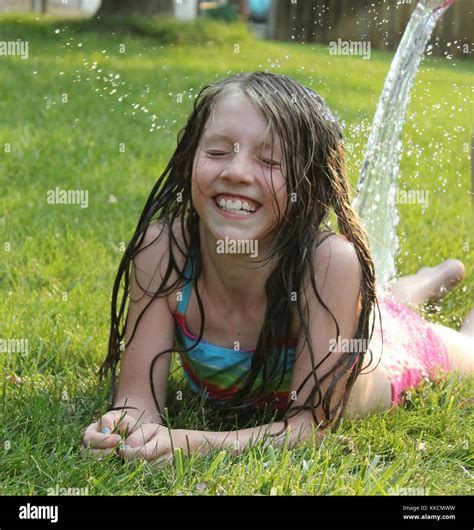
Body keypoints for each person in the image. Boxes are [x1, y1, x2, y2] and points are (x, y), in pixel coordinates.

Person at [81, 72, 473, 465]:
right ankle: (415, 287)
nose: (236, 172)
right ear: (190, 159)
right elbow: (136, 399)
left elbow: (312, 427)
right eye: (217, 153)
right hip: (340, 316)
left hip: (385, 355)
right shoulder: (163, 249)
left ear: (309, 183)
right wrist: (122, 427)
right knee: (387, 304)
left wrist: (193, 443)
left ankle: (423, 295)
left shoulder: (330, 265)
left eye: (269, 161)